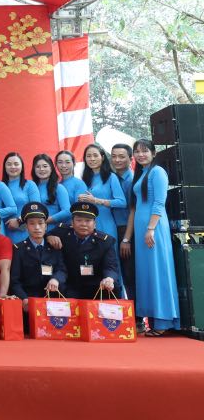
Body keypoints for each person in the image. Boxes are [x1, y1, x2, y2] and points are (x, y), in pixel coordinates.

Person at [124, 139, 180, 335]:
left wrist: (151, 228)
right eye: (137, 152)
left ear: (154, 153)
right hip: (142, 230)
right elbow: (135, 207)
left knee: (158, 272)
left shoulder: (157, 172)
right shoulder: (141, 174)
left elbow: (159, 203)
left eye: (145, 151)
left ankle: (163, 322)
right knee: (147, 273)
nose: (141, 155)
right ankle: (153, 320)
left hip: (154, 228)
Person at [45, 201, 121, 299]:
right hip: (69, 283)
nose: (83, 224)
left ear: (95, 224)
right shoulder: (62, 232)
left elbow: (110, 267)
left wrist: (109, 278)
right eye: (79, 220)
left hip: (94, 286)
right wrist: (49, 237)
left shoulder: (105, 242)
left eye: (88, 221)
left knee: (112, 287)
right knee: (53, 287)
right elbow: (45, 235)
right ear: (72, 222)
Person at [9, 202, 66, 306]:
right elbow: (15, 281)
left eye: (40, 223)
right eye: (32, 223)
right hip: (29, 300)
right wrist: (24, 298)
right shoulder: (19, 249)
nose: (37, 227)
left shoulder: (54, 246)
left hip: (52, 298)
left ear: (46, 226)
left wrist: (55, 279)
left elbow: (62, 270)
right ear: (26, 226)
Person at [80, 143, 126, 239]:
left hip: (106, 224)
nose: (92, 159)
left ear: (103, 157)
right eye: (88, 156)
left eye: (95, 155)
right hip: (86, 226)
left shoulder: (111, 177)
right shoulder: (84, 179)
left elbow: (122, 202)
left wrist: (96, 200)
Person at [109, 142, 135, 299]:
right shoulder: (112, 178)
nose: (117, 160)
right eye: (113, 156)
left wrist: (127, 238)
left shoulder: (131, 180)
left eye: (121, 156)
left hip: (126, 229)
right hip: (113, 228)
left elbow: (133, 210)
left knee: (129, 273)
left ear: (130, 159)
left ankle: (136, 318)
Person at [2, 152, 40, 243]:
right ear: (4, 167)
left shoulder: (30, 185)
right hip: (3, 233)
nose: (13, 167)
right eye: (9, 164)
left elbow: (36, 208)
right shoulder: (0, 186)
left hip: (25, 233)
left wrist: (19, 221)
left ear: (22, 166)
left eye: (16, 164)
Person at [34, 154, 71, 229]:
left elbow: (67, 211)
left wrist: (45, 220)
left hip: (53, 231)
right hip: (34, 230)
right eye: (38, 167)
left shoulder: (59, 188)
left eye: (45, 166)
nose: (41, 169)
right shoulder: (31, 187)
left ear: (51, 168)